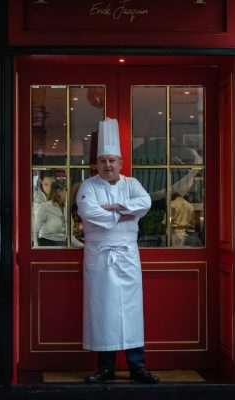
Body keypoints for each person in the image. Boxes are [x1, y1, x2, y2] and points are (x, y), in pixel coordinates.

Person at [76, 118, 159, 384]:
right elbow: (90, 212)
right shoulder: (88, 187)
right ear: (96, 164)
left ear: (121, 163)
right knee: (104, 311)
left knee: (132, 310)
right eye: (103, 161)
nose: (108, 165)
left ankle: (137, 366)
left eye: (112, 160)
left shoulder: (132, 184)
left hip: (127, 254)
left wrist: (115, 206)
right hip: (100, 257)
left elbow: (145, 202)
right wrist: (123, 213)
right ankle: (105, 368)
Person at [33, 179, 67, 247]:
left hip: (63, 245)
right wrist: (36, 250)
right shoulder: (45, 207)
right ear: (58, 192)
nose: (68, 192)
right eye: (66, 190)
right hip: (47, 245)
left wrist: (82, 246)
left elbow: (70, 236)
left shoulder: (66, 208)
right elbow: (35, 231)